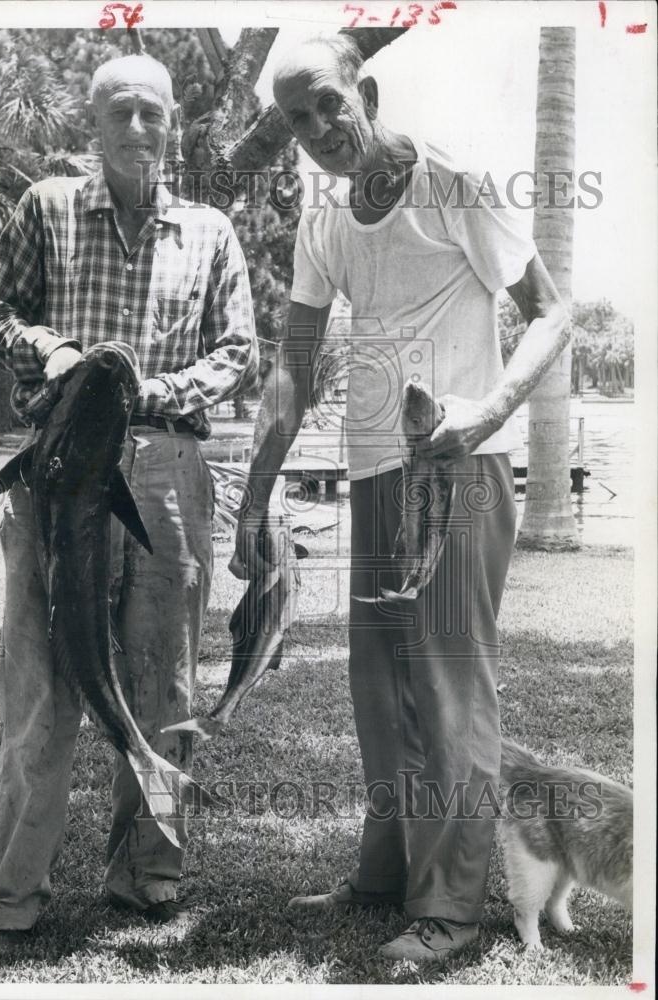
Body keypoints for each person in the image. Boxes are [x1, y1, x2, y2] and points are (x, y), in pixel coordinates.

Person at [230, 35, 570, 963]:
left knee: (448, 690)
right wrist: (255, 504)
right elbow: (291, 373)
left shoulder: (449, 181)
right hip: (376, 474)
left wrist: (488, 411)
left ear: (363, 91)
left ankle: (452, 910)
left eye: (327, 106)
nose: (316, 131)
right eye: (296, 121)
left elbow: (551, 309)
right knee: (379, 688)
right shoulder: (322, 224)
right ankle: (384, 874)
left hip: (456, 473)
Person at [0, 54, 257, 958]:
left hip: (167, 469)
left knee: (164, 679)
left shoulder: (210, 228)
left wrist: (153, 389)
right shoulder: (45, 206)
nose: (138, 129)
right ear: (92, 122)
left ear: (174, 124)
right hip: (58, 467)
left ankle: (150, 872)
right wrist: (57, 354)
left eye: (154, 114)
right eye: (121, 112)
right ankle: (16, 889)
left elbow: (239, 349)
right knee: (41, 680)